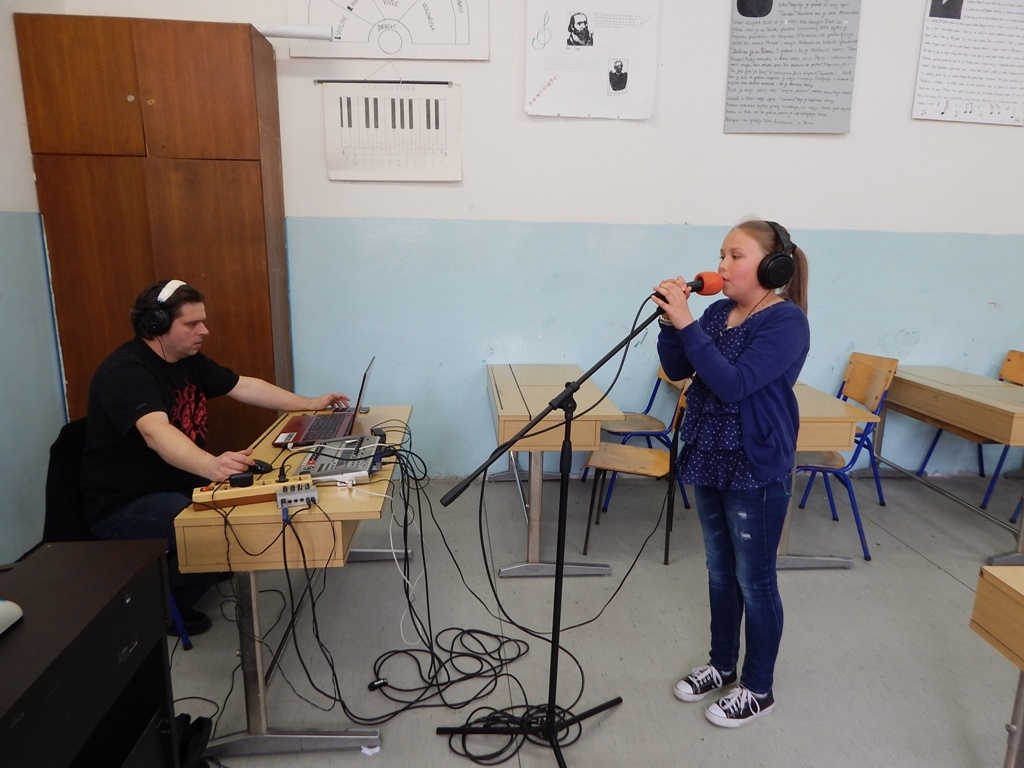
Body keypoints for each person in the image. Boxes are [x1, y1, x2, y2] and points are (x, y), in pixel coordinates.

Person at [81, 279, 350, 635]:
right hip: (125, 502)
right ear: (156, 325)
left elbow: (243, 385)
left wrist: (310, 403)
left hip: (175, 481)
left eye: (203, 321)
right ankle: (162, 610)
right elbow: (155, 432)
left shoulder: (187, 360)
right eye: (192, 324)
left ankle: (203, 565)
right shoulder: (126, 373)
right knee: (220, 529)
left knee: (246, 500)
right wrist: (209, 465)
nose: (204, 331)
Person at [652, 219, 809, 728]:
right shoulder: (719, 312)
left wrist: (687, 324)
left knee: (754, 581)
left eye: (735, 255)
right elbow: (680, 369)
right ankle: (722, 665)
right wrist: (671, 323)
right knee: (720, 573)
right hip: (709, 453)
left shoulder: (785, 322)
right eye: (721, 254)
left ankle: (758, 687)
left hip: (754, 463)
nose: (721, 265)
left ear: (773, 266)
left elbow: (733, 384)